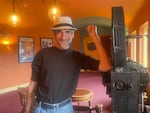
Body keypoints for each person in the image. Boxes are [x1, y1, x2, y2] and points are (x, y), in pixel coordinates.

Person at [23, 16, 112, 113]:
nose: (63, 37)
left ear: (73, 35)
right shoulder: (42, 54)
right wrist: (27, 110)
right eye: (59, 32)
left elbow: (105, 67)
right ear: (54, 34)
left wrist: (95, 37)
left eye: (67, 32)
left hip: (65, 108)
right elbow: (32, 85)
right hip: (41, 108)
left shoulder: (78, 56)